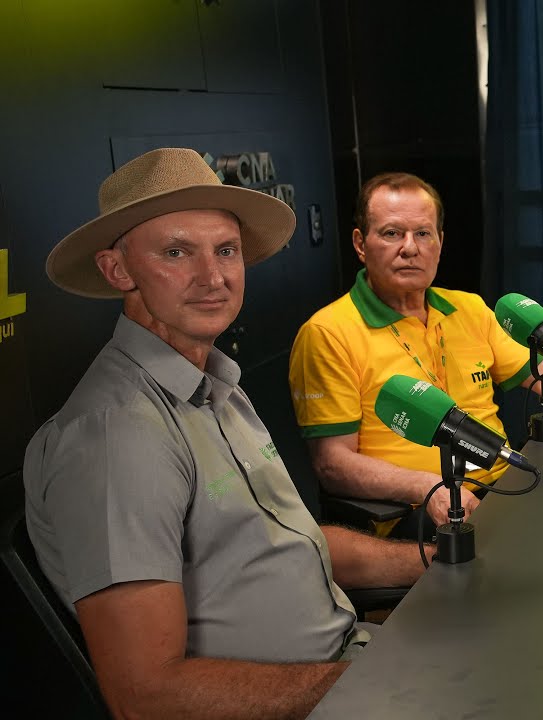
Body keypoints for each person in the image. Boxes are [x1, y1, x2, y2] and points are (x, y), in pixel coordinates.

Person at [26, 148, 433, 719]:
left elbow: (284, 544)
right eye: (176, 252)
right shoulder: (116, 436)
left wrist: (434, 560)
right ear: (118, 270)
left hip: (349, 661)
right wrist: (370, 681)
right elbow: (146, 697)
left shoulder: (215, 383)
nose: (212, 277)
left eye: (226, 251)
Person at [289, 173, 543, 531]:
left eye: (423, 233)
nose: (410, 248)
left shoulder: (468, 309)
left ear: (440, 242)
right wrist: (430, 487)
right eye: (391, 233)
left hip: (502, 483)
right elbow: (332, 465)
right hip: (418, 509)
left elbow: (541, 371)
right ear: (360, 243)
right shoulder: (327, 333)